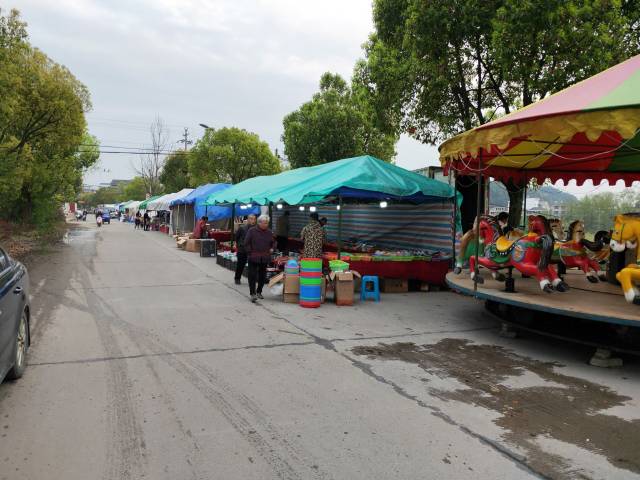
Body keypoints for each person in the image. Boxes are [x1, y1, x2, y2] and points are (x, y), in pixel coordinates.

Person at [244, 214, 275, 302]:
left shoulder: (269, 232)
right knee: (252, 275)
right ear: (259, 222)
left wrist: (272, 248)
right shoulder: (252, 231)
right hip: (253, 257)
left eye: (267, 223)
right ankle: (252, 293)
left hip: (264, 257)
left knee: (262, 276)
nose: (266, 225)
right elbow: (246, 242)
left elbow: (274, 242)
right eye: (264, 223)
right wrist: (250, 252)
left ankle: (259, 291)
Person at [234, 214, 257, 285]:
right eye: (251, 219)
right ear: (248, 219)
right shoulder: (242, 228)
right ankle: (237, 278)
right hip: (242, 250)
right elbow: (237, 237)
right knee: (240, 265)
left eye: (254, 219)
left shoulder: (257, 229)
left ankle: (251, 280)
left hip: (252, 250)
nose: (252, 220)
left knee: (252, 266)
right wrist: (239, 245)